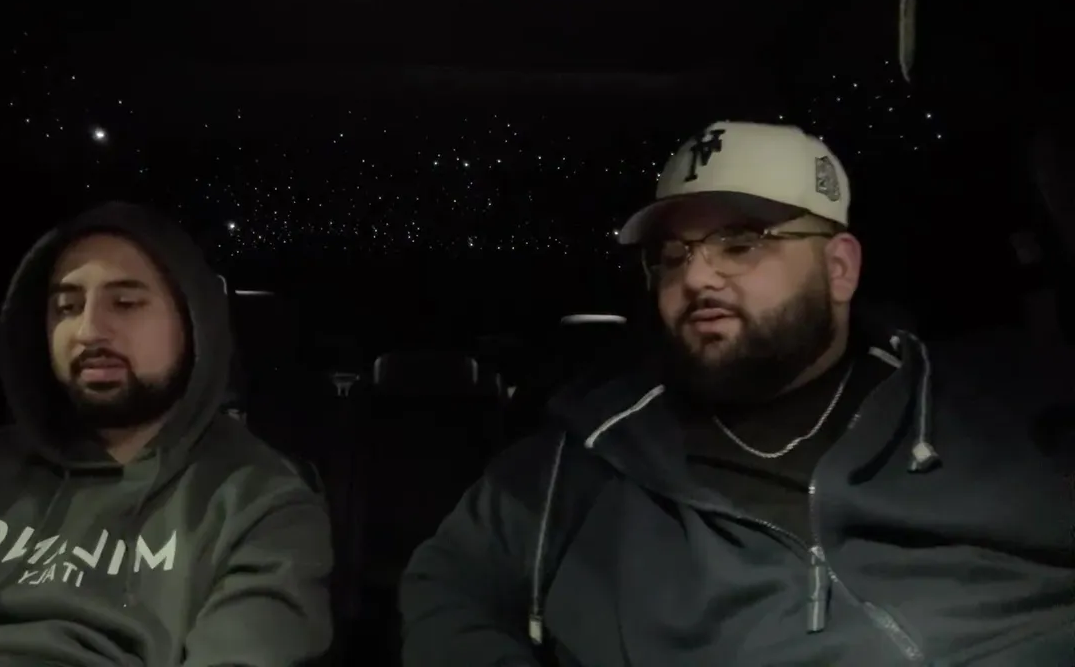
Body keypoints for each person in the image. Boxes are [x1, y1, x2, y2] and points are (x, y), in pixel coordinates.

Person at [400, 122, 1075, 666]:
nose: (697, 277)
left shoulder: (1001, 404)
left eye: (741, 243)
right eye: (673, 254)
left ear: (839, 268)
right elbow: (448, 585)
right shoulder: (581, 462)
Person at [0, 202, 333, 666]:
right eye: (67, 306)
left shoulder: (258, 505)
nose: (89, 330)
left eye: (126, 303)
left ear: (194, 324)